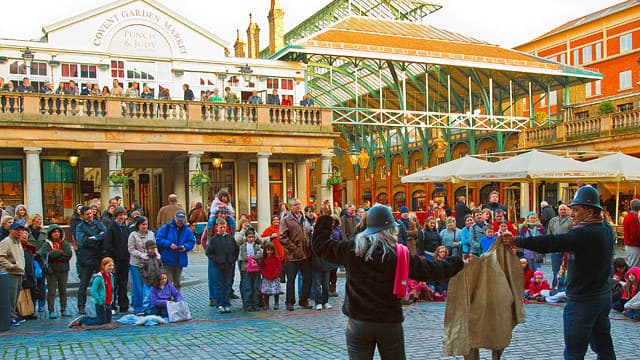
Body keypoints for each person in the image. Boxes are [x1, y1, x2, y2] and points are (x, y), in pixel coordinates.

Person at [312, 204, 464, 359]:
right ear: (392, 229)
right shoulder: (399, 254)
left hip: (359, 322)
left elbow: (321, 246)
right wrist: (457, 262)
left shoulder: (352, 249)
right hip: (389, 322)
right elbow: (431, 270)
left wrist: (325, 220)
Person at [500, 185, 616, 359]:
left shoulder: (586, 234)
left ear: (590, 212)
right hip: (601, 297)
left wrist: (517, 240)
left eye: (576, 210)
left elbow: (552, 242)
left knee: (574, 353)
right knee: (604, 349)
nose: (572, 214)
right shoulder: (605, 229)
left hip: (583, 302)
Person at [279, 198, 313, 311]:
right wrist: (294, 249)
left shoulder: (305, 219)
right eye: (295, 205)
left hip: (305, 254)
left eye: (299, 204)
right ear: (291, 207)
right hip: (292, 255)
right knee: (291, 280)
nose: (298, 206)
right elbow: (282, 237)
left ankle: (304, 300)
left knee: (308, 278)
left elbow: (308, 232)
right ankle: (289, 302)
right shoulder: (286, 220)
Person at [75, 205, 107, 315]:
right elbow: (82, 241)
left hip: (98, 256)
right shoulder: (80, 227)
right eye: (87, 214)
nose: (90, 216)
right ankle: (81, 307)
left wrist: (93, 238)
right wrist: (98, 237)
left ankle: (103, 303)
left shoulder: (98, 223)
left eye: (91, 213)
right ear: (83, 216)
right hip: (86, 258)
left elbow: (106, 235)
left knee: (102, 281)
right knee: (83, 283)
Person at [37, 224, 73, 319]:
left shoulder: (64, 243)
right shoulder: (46, 244)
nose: (56, 234)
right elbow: (43, 254)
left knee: (63, 291)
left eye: (58, 232)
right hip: (51, 271)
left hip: (63, 270)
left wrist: (54, 255)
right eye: (54, 232)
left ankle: (64, 309)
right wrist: (58, 252)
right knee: (51, 291)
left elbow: (68, 255)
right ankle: (51, 310)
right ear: (50, 233)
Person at [68, 257, 115, 327]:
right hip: (101, 302)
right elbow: (93, 291)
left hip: (108, 302)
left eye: (112, 265)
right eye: (109, 265)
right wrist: (99, 300)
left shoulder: (111, 276)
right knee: (101, 322)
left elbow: (111, 289)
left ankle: (89, 319)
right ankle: (83, 320)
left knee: (107, 321)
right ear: (103, 266)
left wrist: (112, 299)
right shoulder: (99, 277)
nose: (111, 267)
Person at [156, 210, 194, 291]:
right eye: (178, 220)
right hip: (168, 258)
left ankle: (177, 300)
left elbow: (191, 241)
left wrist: (185, 247)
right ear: (175, 218)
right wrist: (169, 244)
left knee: (177, 282)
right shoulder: (166, 228)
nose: (180, 222)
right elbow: (158, 239)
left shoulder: (187, 230)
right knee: (167, 282)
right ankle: (167, 299)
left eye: (182, 220)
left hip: (180, 259)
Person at [206, 218, 239, 313]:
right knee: (219, 285)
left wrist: (232, 260)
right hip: (218, 266)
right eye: (221, 227)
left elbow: (236, 250)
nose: (222, 229)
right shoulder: (213, 240)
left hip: (229, 265)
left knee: (227, 285)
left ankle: (227, 303)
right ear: (217, 227)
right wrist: (217, 260)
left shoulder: (230, 239)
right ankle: (220, 304)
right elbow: (209, 253)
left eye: (224, 227)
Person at [103, 206, 130, 313]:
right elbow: (107, 244)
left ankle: (124, 305)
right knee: (114, 284)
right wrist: (113, 256)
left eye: (123, 215)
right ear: (116, 216)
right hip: (115, 260)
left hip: (125, 259)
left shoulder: (125, 228)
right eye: (120, 215)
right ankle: (112, 305)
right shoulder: (111, 228)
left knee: (123, 283)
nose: (122, 217)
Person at [0, 222, 27, 326]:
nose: (19, 232)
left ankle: (14, 315)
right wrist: (10, 266)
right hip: (10, 273)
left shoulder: (18, 241)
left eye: (20, 230)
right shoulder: (6, 242)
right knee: (10, 297)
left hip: (19, 272)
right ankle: (10, 317)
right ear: (10, 230)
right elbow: (1, 256)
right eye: (17, 230)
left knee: (15, 297)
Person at [128, 216, 156, 314]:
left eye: (146, 224)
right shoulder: (133, 235)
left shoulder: (151, 234)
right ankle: (138, 307)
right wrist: (140, 254)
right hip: (136, 264)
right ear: (138, 225)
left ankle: (148, 306)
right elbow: (131, 249)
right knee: (137, 286)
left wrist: (156, 254)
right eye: (143, 224)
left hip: (148, 264)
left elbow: (154, 246)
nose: (145, 226)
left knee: (148, 286)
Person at [547, 204, 573, 288]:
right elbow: (549, 234)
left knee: (567, 270)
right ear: (558, 210)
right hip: (555, 249)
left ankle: (565, 287)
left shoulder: (571, 221)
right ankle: (555, 287)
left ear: (567, 210)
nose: (562, 211)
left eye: (564, 209)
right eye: (561, 209)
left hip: (567, 249)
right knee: (555, 269)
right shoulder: (553, 221)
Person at [237, 228, 263, 312]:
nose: (251, 239)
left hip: (256, 269)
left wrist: (251, 257)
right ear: (246, 238)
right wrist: (253, 257)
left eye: (252, 237)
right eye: (249, 237)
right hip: (246, 269)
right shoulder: (243, 246)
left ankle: (255, 304)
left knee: (255, 287)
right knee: (247, 287)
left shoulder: (256, 246)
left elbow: (260, 255)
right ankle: (247, 304)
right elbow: (244, 257)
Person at [139, 239, 163, 314]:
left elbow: (161, 266)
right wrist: (146, 275)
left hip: (156, 280)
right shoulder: (144, 258)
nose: (153, 250)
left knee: (156, 295)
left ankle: (155, 309)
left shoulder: (157, 257)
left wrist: (161, 274)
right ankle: (146, 310)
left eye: (154, 248)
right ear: (147, 249)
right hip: (147, 280)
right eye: (151, 248)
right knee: (147, 296)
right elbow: (141, 269)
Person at [261, 215, 285, 283]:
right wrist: (271, 237)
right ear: (272, 221)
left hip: (283, 254)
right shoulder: (268, 229)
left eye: (277, 219)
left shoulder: (282, 228)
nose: (276, 221)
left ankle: (279, 288)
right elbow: (262, 239)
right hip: (272, 254)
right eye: (274, 220)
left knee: (281, 272)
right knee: (273, 272)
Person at [260, 242, 282, 310]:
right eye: (268, 250)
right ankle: (266, 304)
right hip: (266, 278)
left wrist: (275, 275)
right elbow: (262, 268)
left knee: (276, 291)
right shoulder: (263, 259)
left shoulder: (276, 258)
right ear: (265, 251)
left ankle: (276, 303)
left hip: (275, 278)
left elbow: (278, 268)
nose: (269, 252)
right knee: (266, 292)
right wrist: (265, 275)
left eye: (271, 250)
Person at [623, 199, 640, 268]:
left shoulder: (628, 216)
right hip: (634, 246)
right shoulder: (634, 218)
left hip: (630, 245)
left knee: (632, 265)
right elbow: (635, 234)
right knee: (634, 268)